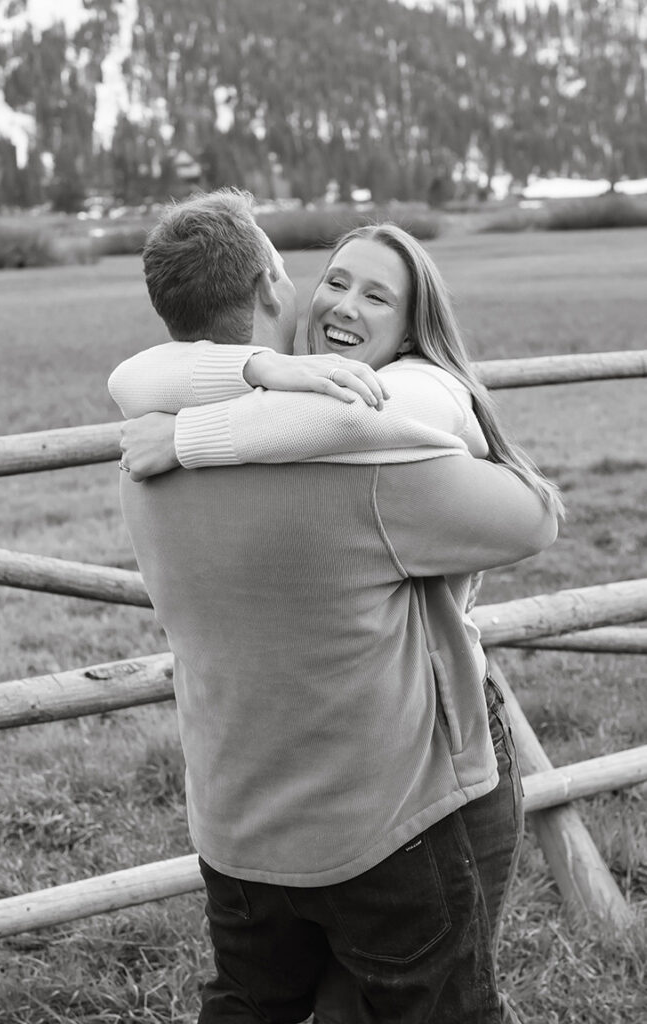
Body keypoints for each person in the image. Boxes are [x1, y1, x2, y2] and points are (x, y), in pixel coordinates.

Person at [110, 190, 559, 1023]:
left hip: (235, 821)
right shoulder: (371, 464)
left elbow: (135, 375)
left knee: (251, 1003)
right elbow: (534, 516)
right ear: (277, 286)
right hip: (376, 826)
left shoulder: (144, 446)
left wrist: (222, 407)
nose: (343, 305)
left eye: (374, 293)